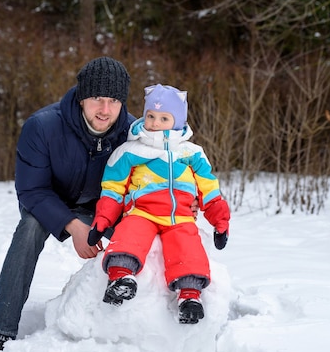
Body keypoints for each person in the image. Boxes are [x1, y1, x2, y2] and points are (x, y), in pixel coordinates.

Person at [0, 57, 135, 352]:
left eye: (113, 101)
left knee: (141, 229)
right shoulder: (42, 126)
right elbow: (31, 189)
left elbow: (155, 180)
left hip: (103, 206)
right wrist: (73, 226)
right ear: (81, 98)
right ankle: (1, 328)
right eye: (97, 99)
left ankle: (144, 322)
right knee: (28, 229)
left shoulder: (132, 133)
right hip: (48, 201)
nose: (105, 110)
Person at [87, 83, 231, 324]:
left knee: (187, 244)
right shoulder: (131, 150)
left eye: (164, 118)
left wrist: (220, 220)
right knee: (130, 233)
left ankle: (190, 295)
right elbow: (112, 188)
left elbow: (209, 189)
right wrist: (103, 219)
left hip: (180, 217)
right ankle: (121, 277)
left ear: (177, 122)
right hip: (142, 212)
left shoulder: (192, 153)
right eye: (151, 116)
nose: (154, 123)